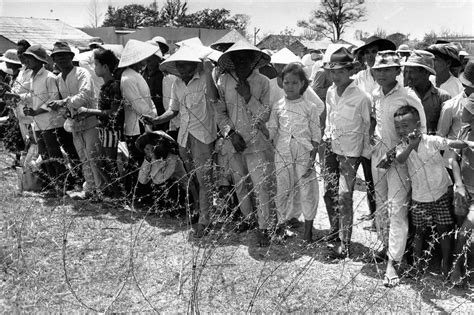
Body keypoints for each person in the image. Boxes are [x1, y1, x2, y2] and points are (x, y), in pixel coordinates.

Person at [143, 45, 217, 238]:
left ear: (194, 64)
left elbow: (215, 99)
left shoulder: (205, 80)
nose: (182, 68)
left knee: (204, 179)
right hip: (184, 137)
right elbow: (173, 110)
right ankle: (199, 211)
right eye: (179, 65)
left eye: (186, 64)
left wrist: (209, 73)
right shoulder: (177, 84)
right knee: (192, 179)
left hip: (203, 136)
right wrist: (156, 120)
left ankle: (205, 220)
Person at [393, 105, 472, 278]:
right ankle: (417, 263)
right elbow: (400, 160)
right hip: (419, 196)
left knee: (444, 231)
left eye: (405, 126)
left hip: (440, 192)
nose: (401, 130)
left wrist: (469, 143)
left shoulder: (431, 140)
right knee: (419, 232)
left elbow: (451, 143)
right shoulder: (401, 146)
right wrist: (410, 146)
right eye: (398, 127)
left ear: (418, 125)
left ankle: (445, 263)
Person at [369, 50, 426, 287]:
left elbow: (420, 129)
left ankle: (394, 262)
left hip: (400, 161)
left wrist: (400, 151)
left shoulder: (407, 95)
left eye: (386, 69)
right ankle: (385, 246)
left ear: (397, 71)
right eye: (377, 70)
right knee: (380, 204)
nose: (381, 74)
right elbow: (377, 122)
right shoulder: (375, 94)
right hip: (378, 157)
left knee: (397, 209)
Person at [215, 40, 274, 246]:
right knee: (240, 183)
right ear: (231, 60)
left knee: (261, 186)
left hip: (257, 142)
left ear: (254, 60)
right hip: (234, 142)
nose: (242, 62)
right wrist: (230, 133)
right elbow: (220, 112)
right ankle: (248, 219)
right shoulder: (223, 81)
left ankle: (264, 226)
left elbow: (266, 116)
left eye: (246, 58)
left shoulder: (263, 82)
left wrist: (249, 96)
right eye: (237, 58)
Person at [322, 47, 372, 256]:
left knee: (344, 195)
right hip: (331, 147)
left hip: (351, 153)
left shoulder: (362, 97)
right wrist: (325, 137)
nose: (335, 76)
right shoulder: (331, 92)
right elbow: (329, 118)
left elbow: (369, 127)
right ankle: (334, 231)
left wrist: (366, 155)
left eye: (340, 72)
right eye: (332, 72)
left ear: (350, 71)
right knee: (328, 192)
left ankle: (345, 241)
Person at [267, 62, 320, 243]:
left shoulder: (310, 107)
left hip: (304, 153)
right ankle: (281, 225)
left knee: (307, 190)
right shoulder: (278, 106)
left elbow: (315, 135)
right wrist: (261, 128)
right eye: (287, 82)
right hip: (283, 153)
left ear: (303, 84)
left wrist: (312, 159)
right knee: (282, 189)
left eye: (294, 83)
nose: (290, 86)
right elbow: (272, 131)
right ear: (281, 83)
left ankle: (308, 230)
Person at [48, 41, 108, 199]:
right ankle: (90, 189)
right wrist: (61, 109)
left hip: (90, 120)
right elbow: (64, 103)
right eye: (57, 56)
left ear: (70, 57)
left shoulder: (82, 73)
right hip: (74, 123)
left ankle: (101, 192)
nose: (60, 59)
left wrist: (64, 102)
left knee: (94, 157)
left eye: (63, 55)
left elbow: (85, 94)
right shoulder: (59, 78)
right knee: (83, 157)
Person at [16, 45, 73, 192]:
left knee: (54, 155)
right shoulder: (33, 76)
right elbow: (33, 96)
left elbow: (54, 99)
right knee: (45, 155)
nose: (26, 61)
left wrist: (36, 111)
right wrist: (18, 97)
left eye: (29, 58)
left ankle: (62, 185)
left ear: (38, 60)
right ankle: (52, 184)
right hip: (38, 123)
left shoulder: (49, 77)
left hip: (51, 122)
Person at [77, 49, 124, 196]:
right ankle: (112, 193)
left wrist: (89, 112)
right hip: (104, 129)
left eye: (96, 65)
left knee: (109, 163)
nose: (94, 68)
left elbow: (113, 112)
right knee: (101, 163)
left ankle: (118, 196)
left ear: (105, 67)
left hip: (111, 130)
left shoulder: (114, 86)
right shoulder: (105, 86)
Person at [117, 39, 160, 201]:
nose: (145, 61)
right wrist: (152, 116)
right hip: (137, 126)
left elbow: (146, 101)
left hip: (143, 123)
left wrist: (152, 115)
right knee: (137, 162)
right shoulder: (128, 78)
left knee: (142, 161)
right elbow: (138, 104)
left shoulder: (134, 76)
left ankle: (140, 194)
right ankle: (135, 195)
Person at [449, 62, 474, 285]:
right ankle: (458, 266)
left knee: (469, 225)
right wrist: (458, 184)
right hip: (465, 185)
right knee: (461, 229)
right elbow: (454, 157)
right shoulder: (465, 131)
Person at [136, 131, 199, 214]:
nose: (157, 146)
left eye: (159, 143)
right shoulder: (150, 157)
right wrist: (148, 161)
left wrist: (154, 161)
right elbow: (142, 180)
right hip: (161, 191)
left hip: (177, 191)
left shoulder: (173, 158)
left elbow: (160, 179)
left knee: (168, 186)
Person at [403, 50, 451, 135]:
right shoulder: (403, 95)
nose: (407, 76)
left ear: (425, 72)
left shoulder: (443, 97)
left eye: (412, 72)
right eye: (406, 71)